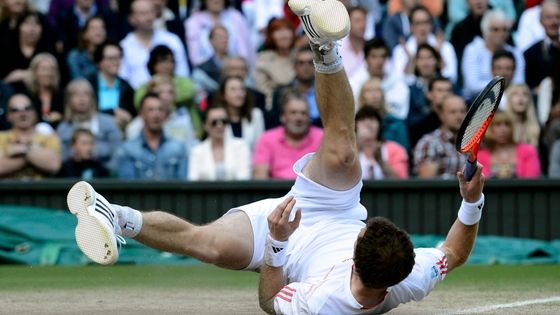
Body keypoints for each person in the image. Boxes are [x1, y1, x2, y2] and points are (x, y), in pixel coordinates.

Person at [67, 1, 486, 314]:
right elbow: (455, 252)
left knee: (210, 246)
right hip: (332, 207)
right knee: (343, 154)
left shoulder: (324, 302)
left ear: (355, 263)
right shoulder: (411, 275)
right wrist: (471, 200)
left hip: (283, 236)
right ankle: (324, 48)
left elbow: (269, 301)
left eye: (364, 234)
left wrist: (279, 242)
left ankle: (115, 215)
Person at [114, 92, 187, 180]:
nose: (156, 115)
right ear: (141, 114)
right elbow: (127, 188)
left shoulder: (178, 148)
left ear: (165, 114)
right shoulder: (128, 149)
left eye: (160, 110)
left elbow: (183, 185)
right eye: (150, 110)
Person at [252, 90, 322, 180]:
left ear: (309, 117)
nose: (298, 118)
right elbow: (260, 177)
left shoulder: (323, 138)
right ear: (283, 117)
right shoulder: (267, 138)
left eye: (303, 113)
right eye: (293, 113)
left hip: (312, 193)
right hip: (277, 192)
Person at [0, 93, 62, 179]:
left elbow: (54, 165)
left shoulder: (49, 137)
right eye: (16, 110)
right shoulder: (1, 138)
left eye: (27, 108)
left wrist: (23, 150)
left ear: (34, 112)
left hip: (40, 191)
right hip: (8, 192)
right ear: (8, 116)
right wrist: (36, 155)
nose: (22, 113)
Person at [188, 104, 251, 180]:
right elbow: (193, 181)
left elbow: (243, 179)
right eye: (214, 122)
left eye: (224, 122)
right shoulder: (197, 151)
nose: (219, 125)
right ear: (205, 126)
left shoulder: (240, 146)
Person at [413, 94, 467, 178]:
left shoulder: (473, 141)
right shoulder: (429, 142)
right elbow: (426, 183)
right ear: (441, 115)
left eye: (462, 111)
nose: (459, 116)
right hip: (443, 191)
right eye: (453, 112)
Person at [477, 111, 541, 179]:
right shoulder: (481, 155)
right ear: (490, 128)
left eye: (507, 124)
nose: (503, 129)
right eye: (498, 124)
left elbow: (532, 180)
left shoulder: (528, 151)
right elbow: (480, 182)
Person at [355, 106, 409, 179]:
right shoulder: (348, 149)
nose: (367, 123)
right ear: (355, 125)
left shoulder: (395, 149)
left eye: (372, 119)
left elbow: (402, 180)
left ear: (380, 125)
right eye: (362, 119)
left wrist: (381, 162)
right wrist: (356, 147)